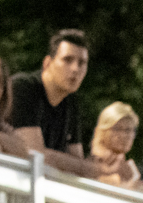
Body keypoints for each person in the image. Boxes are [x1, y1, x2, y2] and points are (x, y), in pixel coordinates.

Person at [6, 29, 123, 180]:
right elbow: (35, 154)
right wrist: (91, 168)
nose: (75, 69)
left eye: (82, 63)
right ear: (48, 63)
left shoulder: (71, 102)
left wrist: (103, 163)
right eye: (67, 60)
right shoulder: (24, 88)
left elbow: (77, 161)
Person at [89, 101, 143, 189]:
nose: (123, 135)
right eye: (117, 129)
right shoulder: (94, 163)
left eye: (128, 130)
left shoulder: (127, 165)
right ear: (103, 130)